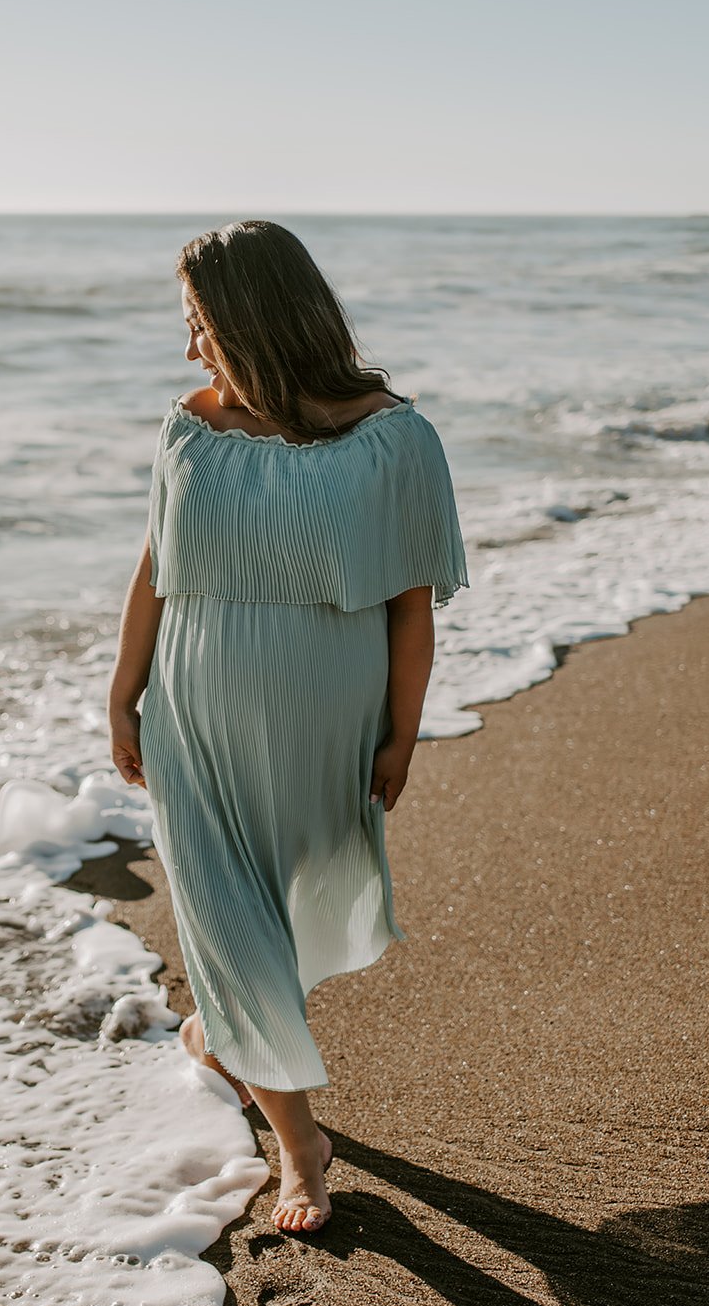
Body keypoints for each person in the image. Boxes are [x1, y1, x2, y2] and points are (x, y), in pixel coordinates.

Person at [108, 220, 468, 1236]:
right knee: (225, 926)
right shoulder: (190, 422)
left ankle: (220, 1037)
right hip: (193, 710)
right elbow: (154, 564)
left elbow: (409, 607)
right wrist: (120, 689)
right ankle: (299, 1144)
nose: (190, 349)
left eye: (201, 325)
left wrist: (401, 732)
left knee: (287, 907)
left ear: (256, 319)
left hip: (326, 716)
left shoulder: (393, 438)